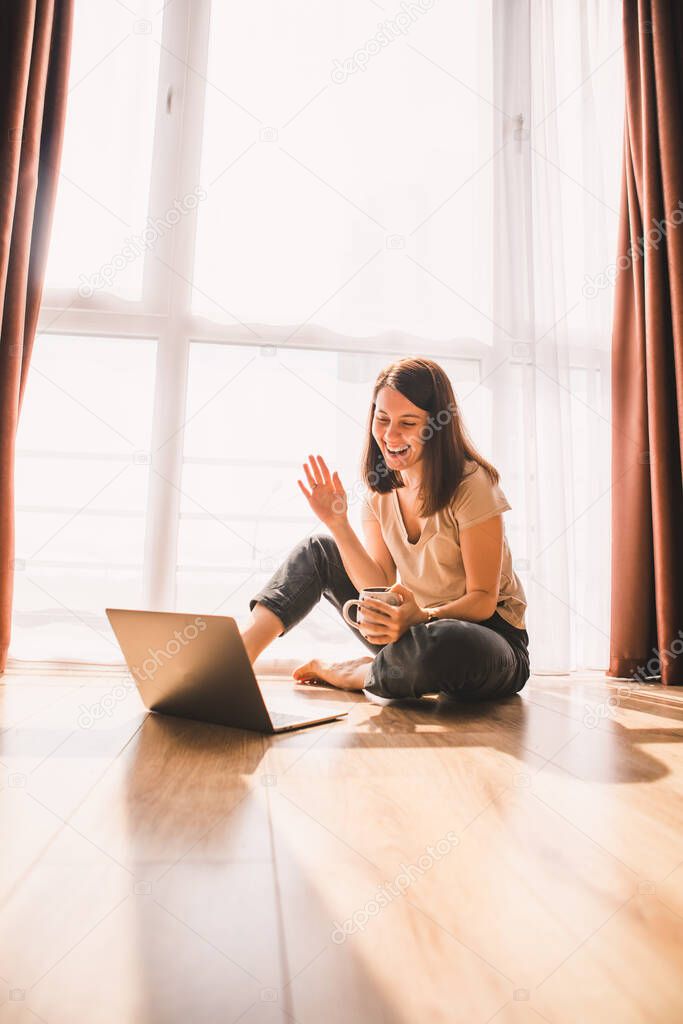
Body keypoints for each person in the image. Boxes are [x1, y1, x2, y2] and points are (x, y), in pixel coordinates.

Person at [239, 356, 530, 701]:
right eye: (382, 418)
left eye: (407, 422)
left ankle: (361, 672)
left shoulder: (472, 484)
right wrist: (339, 524)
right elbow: (375, 585)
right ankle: (236, 664)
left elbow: (482, 602)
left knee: (444, 642)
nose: (390, 435)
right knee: (319, 550)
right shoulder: (380, 492)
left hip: (486, 640)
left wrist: (423, 616)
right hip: (411, 633)